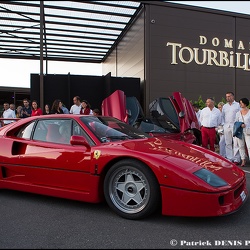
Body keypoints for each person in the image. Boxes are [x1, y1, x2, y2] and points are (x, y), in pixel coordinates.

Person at [221, 92, 241, 164]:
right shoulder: (225, 106)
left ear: (233, 97)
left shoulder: (238, 105)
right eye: (226, 97)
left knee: (236, 143)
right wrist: (223, 124)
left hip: (235, 125)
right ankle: (229, 158)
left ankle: (236, 159)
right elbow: (222, 116)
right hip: (227, 126)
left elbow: (240, 115)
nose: (228, 98)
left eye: (229, 96)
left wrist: (239, 124)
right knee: (228, 142)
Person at [234, 98, 250, 167]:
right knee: (241, 146)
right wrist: (240, 124)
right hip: (240, 131)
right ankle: (243, 159)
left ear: (245, 103)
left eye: (241, 103)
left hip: (248, 131)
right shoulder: (238, 113)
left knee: (249, 146)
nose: (240, 104)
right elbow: (235, 122)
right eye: (239, 103)